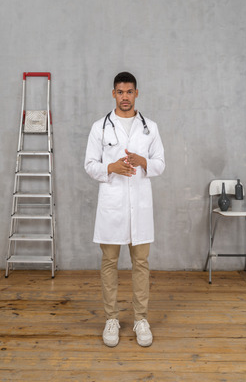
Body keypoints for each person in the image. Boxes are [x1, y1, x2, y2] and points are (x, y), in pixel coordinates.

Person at [84, 71, 165, 347]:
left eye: (129, 92)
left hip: (140, 206)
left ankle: (141, 319)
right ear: (113, 94)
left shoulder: (150, 127)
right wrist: (111, 167)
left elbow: (160, 163)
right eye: (120, 92)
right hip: (112, 207)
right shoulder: (100, 127)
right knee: (109, 263)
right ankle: (111, 319)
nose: (125, 97)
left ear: (136, 93)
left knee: (141, 263)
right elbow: (89, 165)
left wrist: (143, 161)